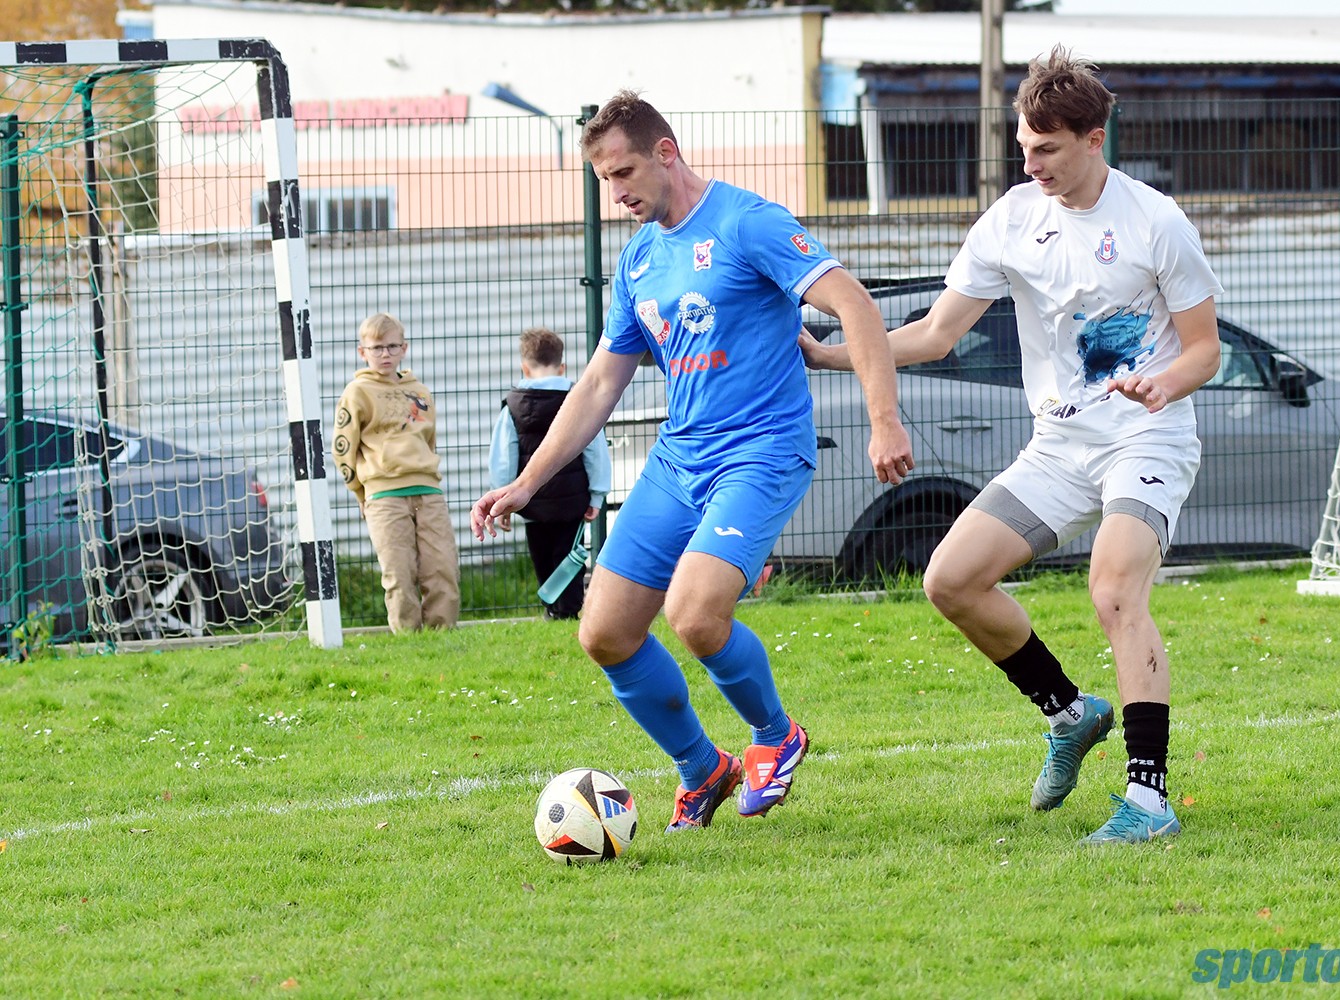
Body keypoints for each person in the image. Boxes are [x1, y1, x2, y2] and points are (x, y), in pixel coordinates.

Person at [801, 47, 1223, 844]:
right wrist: (831, 356)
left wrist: (1164, 385)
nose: (1031, 166)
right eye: (1023, 148)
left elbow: (1204, 350)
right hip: (1059, 447)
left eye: (1047, 149)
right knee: (950, 580)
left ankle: (1148, 801)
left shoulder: (1155, 221)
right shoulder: (1012, 220)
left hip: (1146, 437)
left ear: (1094, 138)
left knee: (1113, 590)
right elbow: (936, 332)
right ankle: (1069, 714)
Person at [471, 90, 913, 833]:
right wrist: (525, 482)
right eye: (604, 181)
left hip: (761, 453)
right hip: (681, 460)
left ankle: (776, 736)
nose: (616, 194)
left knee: (696, 614)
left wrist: (884, 420)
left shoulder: (747, 222)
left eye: (623, 173)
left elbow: (855, 305)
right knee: (603, 632)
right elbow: (600, 383)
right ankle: (702, 768)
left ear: (666, 152)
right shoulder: (639, 258)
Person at [334, 312, 461, 633]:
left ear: (404, 348)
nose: (385, 354)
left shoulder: (419, 391)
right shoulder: (357, 392)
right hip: (384, 495)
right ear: (362, 352)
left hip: (428, 492)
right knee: (398, 572)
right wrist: (361, 492)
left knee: (442, 567)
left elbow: (428, 441)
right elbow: (343, 449)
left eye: (392, 346)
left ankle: (441, 635)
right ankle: (408, 637)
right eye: (376, 348)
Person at [488, 326, 611, 620]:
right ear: (562, 366)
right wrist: (597, 494)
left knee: (541, 552)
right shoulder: (577, 401)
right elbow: (595, 450)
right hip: (572, 498)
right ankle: (568, 608)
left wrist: (502, 499)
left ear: (524, 368)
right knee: (569, 553)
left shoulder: (513, 406)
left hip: (533, 500)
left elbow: (503, 457)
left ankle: (552, 608)